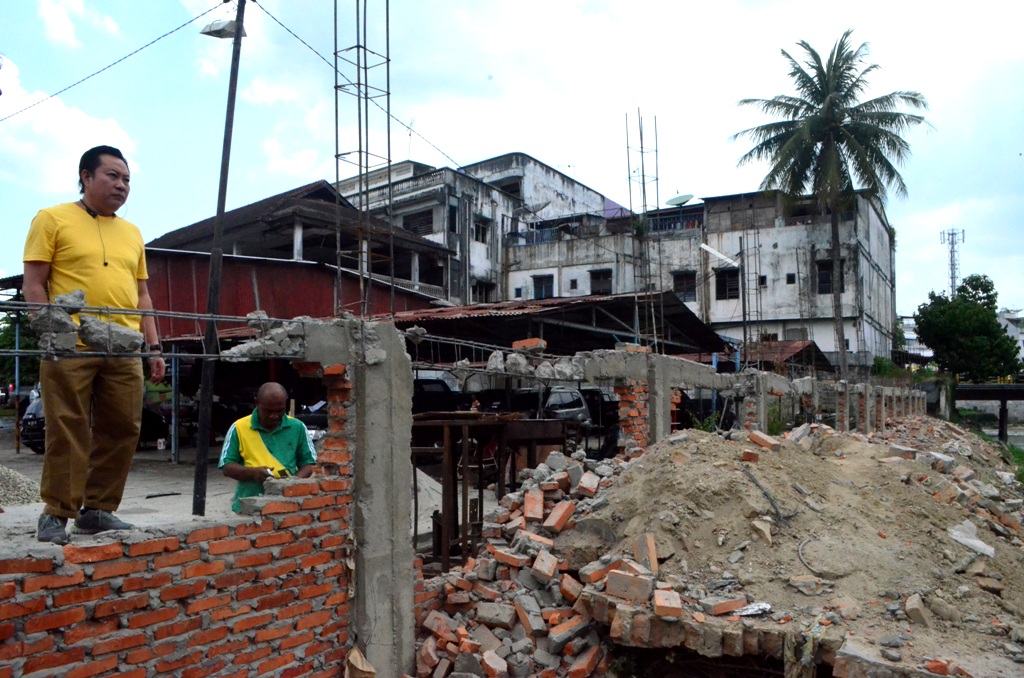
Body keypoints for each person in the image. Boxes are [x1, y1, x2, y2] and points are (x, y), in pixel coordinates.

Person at [23, 145, 166, 544]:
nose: (122, 185)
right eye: (113, 176)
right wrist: (48, 332)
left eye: (127, 180)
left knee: (123, 427)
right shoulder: (52, 219)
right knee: (67, 426)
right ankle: (57, 513)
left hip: (123, 347)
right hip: (71, 344)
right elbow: (34, 283)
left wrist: (153, 348)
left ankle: (98, 510)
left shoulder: (132, 232)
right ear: (86, 176)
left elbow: (142, 296)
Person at [219, 382, 317, 513]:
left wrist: (292, 483)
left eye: (280, 411)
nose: (274, 416)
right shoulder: (239, 427)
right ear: (256, 403)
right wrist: (253, 473)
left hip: (287, 505)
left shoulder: (298, 427)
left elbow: (309, 463)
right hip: (249, 505)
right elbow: (227, 467)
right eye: (268, 411)